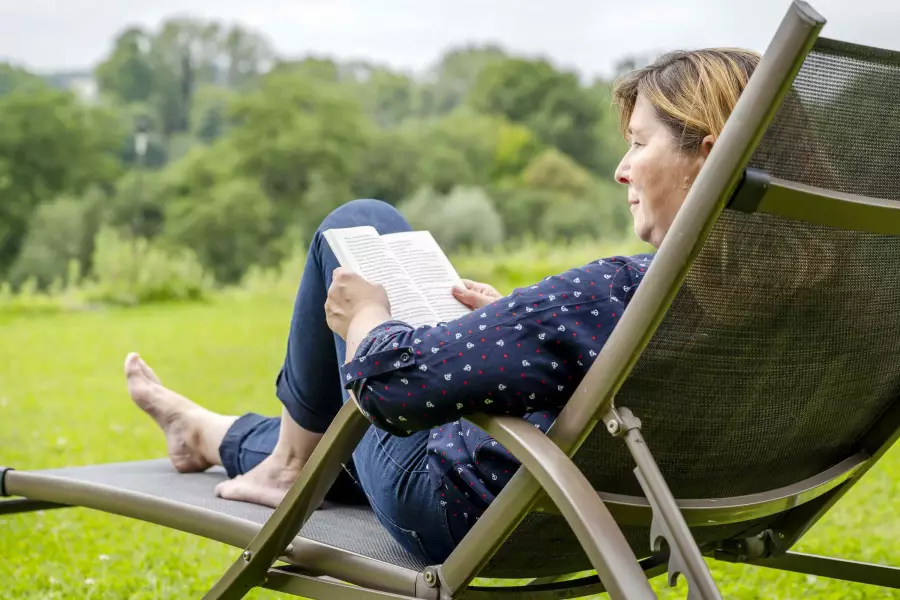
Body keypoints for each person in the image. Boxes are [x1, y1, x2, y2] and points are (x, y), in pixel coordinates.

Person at [124, 47, 761, 564]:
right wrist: (514, 325)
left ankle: (285, 465)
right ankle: (206, 433)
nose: (621, 170)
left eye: (639, 143)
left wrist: (367, 316)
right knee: (370, 415)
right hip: (625, 505)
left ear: (707, 154)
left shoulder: (619, 294)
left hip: (466, 509)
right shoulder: (809, 314)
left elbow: (389, 389)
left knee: (358, 224)